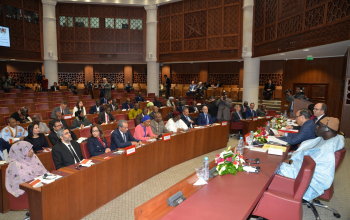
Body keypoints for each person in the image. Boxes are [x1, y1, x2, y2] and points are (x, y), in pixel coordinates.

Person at [277, 117, 344, 202]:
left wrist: (290, 161)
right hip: (301, 166)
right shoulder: (326, 139)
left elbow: (311, 167)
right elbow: (307, 153)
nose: (316, 127)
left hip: (308, 178)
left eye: (319, 126)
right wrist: (291, 155)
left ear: (326, 129)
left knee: (274, 167)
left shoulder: (326, 149)